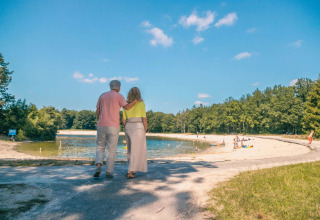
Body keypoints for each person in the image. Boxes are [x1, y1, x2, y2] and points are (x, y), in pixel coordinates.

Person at [93, 80, 138, 179]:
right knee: (111, 150)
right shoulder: (119, 96)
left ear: (110, 87)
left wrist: (99, 120)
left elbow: (97, 111)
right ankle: (108, 172)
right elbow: (127, 107)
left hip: (101, 125)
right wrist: (135, 101)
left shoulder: (102, 96)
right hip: (113, 126)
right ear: (119, 87)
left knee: (100, 147)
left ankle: (98, 166)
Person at [122, 87, 147, 179]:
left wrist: (127, 127)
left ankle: (132, 169)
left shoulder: (125, 105)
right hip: (138, 126)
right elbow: (144, 118)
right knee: (137, 149)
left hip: (128, 125)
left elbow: (123, 120)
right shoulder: (141, 104)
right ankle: (130, 170)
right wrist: (145, 129)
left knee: (130, 150)